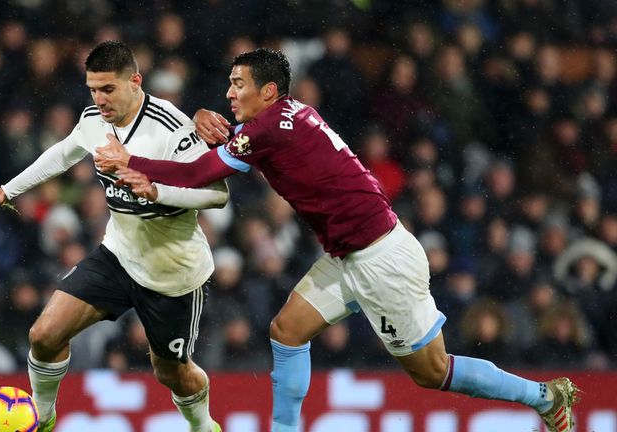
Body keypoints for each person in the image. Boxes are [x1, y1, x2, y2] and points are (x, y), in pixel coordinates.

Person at [95, 48, 580, 432]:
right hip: (348, 255)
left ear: (268, 90)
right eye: (227, 84)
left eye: (237, 84)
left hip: (381, 261)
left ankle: (544, 397)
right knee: (286, 331)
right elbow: (229, 146)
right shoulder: (286, 115)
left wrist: (128, 163)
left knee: (432, 373)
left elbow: (201, 172)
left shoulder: (266, 130)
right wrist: (204, 119)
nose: (229, 92)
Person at [0, 41, 226, 432]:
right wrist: (6, 191)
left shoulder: (172, 128)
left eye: (108, 89)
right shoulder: (93, 120)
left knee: (171, 373)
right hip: (118, 255)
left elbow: (217, 193)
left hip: (172, 274)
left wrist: (156, 191)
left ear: (135, 82)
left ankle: (203, 426)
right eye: (92, 89)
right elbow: (64, 152)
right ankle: (43, 418)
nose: (99, 99)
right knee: (45, 335)